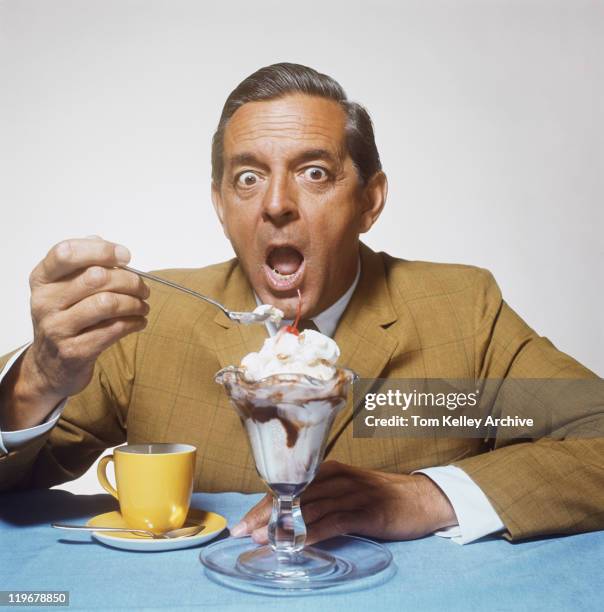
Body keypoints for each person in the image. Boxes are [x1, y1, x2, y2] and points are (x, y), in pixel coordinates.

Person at [0, 63, 602, 547]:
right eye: (248, 178)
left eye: (314, 173)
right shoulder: (151, 318)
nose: (277, 204)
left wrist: (423, 497)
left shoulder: (463, 309)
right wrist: (38, 381)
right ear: (219, 203)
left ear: (370, 199)